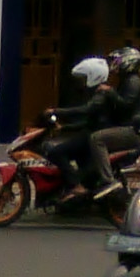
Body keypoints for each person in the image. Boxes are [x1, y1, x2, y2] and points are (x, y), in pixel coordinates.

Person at [41, 56, 117, 203]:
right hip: (91, 133)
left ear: (93, 76)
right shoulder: (98, 94)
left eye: (84, 78)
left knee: (55, 152)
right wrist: (64, 128)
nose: (81, 83)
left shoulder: (101, 96)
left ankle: (76, 185)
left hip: (92, 135)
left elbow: (84, 111)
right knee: (75, 157)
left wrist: (56, 111)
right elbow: (87, 121)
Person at [84, 45, 140, 203]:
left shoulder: (132, 82)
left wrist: (109, 91)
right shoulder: (125, 81)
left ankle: (108, 181)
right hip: (125, 127)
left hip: (131, 131)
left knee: (97, 139)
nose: (115, 63)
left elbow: (125, 105)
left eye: (118, 60)